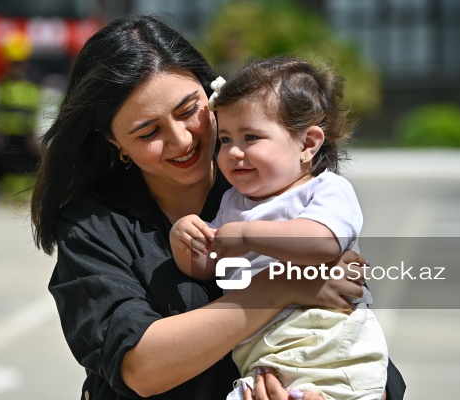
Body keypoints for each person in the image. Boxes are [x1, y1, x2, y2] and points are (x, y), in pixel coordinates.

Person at [29, 15, 406, 400]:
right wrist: (279, 287)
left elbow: (350, 335)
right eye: (149, 132)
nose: (181, 140)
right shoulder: (93, 225)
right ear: (114, 141)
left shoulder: (277, 183)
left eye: (188, 110)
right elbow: (139, 366)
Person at [169, 56, 387, 400]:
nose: (234, 152)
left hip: (328, 343)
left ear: (308, 144)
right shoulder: (233, 202)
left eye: (250, 137)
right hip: (263, 354)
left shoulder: (325, 190)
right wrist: (185, 240)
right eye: (225, 139)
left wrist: (247, 235)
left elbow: (324, 242)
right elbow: (208, 266)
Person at [0, 31, 41, 202]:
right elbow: (0, 108)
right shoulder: (4, 81)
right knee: (8, 165)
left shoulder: (31, 81)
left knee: (26, 165)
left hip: (24, 133)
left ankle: (24, 197)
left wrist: (32, 132)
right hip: (8, 133)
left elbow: (34, 108)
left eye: (17, 63)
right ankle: (11, 196)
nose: (14, 66)